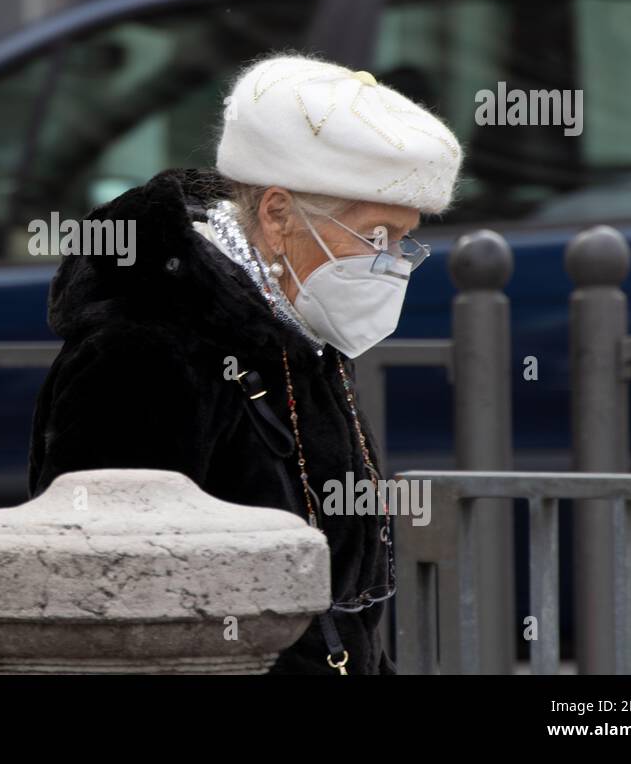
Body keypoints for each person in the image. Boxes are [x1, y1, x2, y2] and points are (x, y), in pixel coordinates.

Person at [26, 52, 463, 674]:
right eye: (374, 236)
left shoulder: (299, 322)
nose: (392, 261)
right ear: (277, 215)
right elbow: (106, 598)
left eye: (404, 238)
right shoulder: (147, 347)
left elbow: (339, 604)